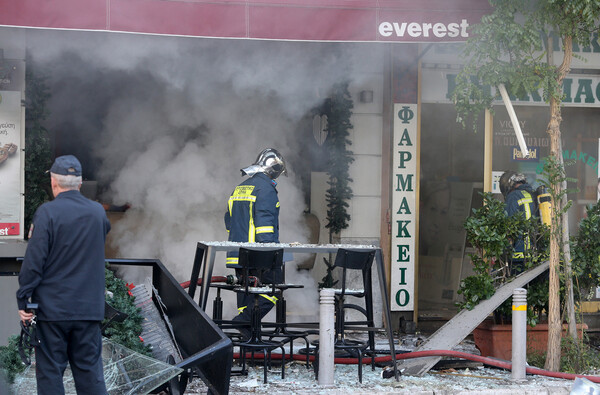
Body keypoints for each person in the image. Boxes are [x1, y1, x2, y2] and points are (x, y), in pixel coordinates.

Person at [16, 155, 111, 395]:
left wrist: (24, 300)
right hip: (89, 309)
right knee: (90, 375)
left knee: (50, 374)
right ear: (80, 184)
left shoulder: (47, 213)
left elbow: (34, 263)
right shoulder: (98, 213)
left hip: (53, 311)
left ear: (53, 182)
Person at [224, 148, 287, 338]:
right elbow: (265, 225)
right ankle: (243, 322)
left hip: (237, 253)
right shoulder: (266, 189)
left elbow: (229, 220)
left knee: (246, 295)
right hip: (258, 256)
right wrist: (271, 254)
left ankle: (248, 336)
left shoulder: (241, 187)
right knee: (274, 288)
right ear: (273, 170)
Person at [499, 170, 538, 274]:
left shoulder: (514, 196)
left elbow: (508, 225)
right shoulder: (532, 195)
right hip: (534, 254)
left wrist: (503, 251)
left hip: (518, 254)